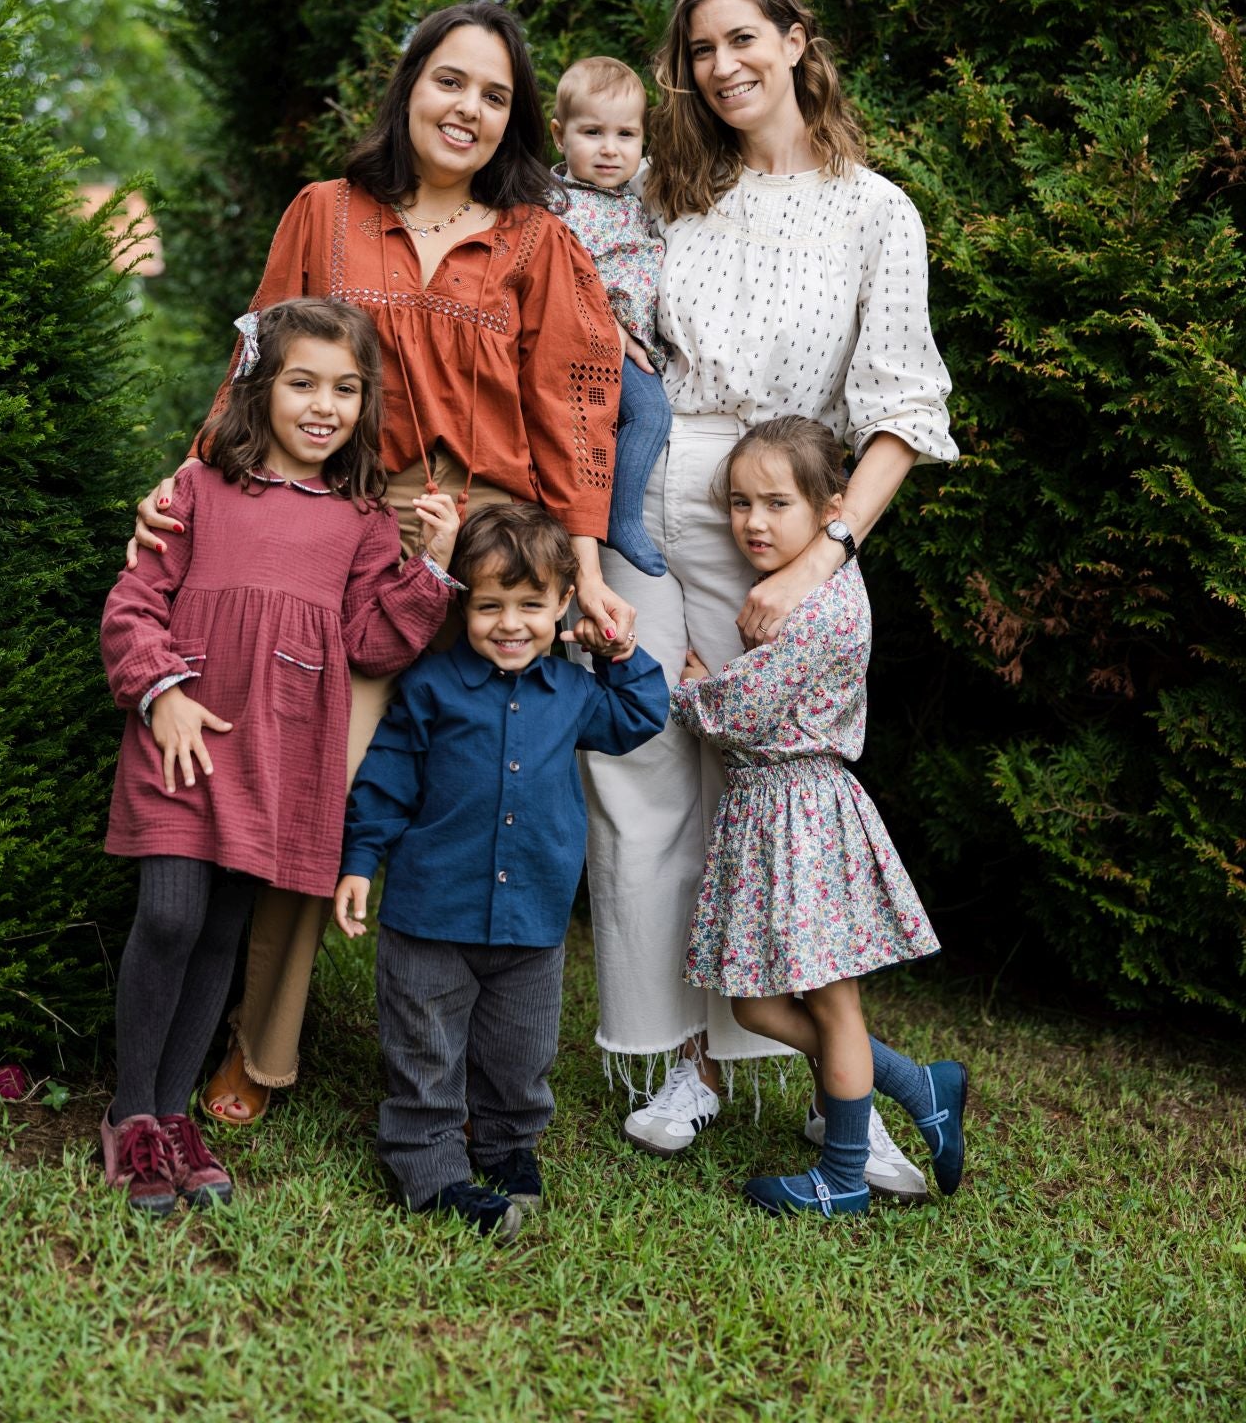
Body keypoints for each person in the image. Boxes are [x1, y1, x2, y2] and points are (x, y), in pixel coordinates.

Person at [129, 0, 635, 1124]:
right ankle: (258, 1051)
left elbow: (578, 406)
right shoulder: (327, 213)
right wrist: (188, 484)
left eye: (495, 96)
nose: (468, 108)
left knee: (481, 784)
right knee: (313, 778)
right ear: (410, 87)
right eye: (451, 82)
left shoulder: (538, 242)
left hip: (496, 538)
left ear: (514, 123)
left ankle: (459, 1054)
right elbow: (257, 364)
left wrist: (585, 567)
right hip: (347, 526)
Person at [577, 0, 958, 1202]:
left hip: (782, 521)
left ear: (795, 41)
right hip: (650, 499)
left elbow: (900, 409)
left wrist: (824, 554)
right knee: (644, 787)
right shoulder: (663, 193)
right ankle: (686, 1062)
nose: (721, 67)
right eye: (698, 50)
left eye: (743, 40)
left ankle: (850, 1092)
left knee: (768, 809)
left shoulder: (873, 211)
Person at [98, 298, 459, 1216]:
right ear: (262, 388)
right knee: (173, 915)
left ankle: (176, 1118)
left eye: (346, 388)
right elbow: (133, 604)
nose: (324, 405)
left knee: (223, 929)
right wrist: (163, 693)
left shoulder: (365, 521)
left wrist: (433, 570)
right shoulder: (197, 491)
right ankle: (131, 1114)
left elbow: (376, 644)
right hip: (186, 742)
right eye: (303, 382)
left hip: (281, 753)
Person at [333, 505, 668, 1240]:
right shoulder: (433, 687)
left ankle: (508, 1146)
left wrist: (615, 651)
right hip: (430, 914)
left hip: (532, 919)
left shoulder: (578, 696)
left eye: (530, 605)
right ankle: (428, 1167)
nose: (509, 623)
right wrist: (359, 861)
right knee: (425, 1050)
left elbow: (644, 712)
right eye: (489, 606)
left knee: (521, 1053)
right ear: (462, 603)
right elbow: (387, 777)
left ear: (561, 606)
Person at [671, 416, 966, 1216]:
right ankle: (917, 1085)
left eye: (775, 504)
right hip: (767, 814)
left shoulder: (825, 600)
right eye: (739, 504)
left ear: (830, 507)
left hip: (803, 814)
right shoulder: (795, 594)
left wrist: (697, 689)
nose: (753, 523)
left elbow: (743, 708)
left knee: (832, 1006)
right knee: (754, 1003)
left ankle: (843, 1177)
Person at [551, 56, 671, 576]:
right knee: (649, 415)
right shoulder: (555, 204)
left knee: (625, 421)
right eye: (592, 131)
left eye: (625, 134)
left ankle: (602, 519)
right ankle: (619, 520)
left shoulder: (631, 198)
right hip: (591, 340)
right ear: (560, 135)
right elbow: (556, 275)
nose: (609, 148)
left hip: (622, 342)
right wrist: (609, 324)